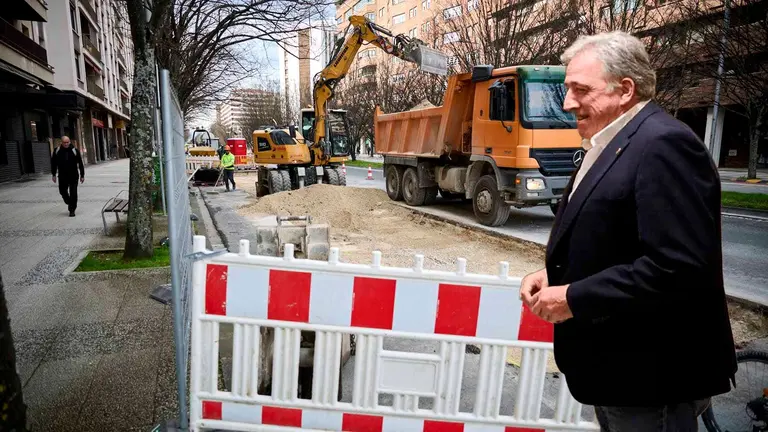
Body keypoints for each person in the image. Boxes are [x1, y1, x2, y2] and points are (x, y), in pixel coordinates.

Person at [519, 31, 736, 430]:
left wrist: (574, 297)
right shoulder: (616, 141)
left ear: (625, 90)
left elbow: (678, 267)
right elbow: (616, 240)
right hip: (621, 374)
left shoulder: (663, 144)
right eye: (567, 89)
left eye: (580, 89)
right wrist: (555, 274)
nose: (568, 103)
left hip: (652, 381)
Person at [51, 136, 85, 217]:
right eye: (64, 142)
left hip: (73, 176)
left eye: (67, 142)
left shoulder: (74, 150)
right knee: (62, 191)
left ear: (69, 142)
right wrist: (53, 174)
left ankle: (72, 210)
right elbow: (53, 163)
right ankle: (68, 201)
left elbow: (80, 163)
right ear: (61, 143)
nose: (66, 144)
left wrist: (82, 175)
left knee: (73, 193)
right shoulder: (57, 151)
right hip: (62, 176)